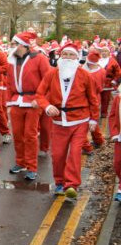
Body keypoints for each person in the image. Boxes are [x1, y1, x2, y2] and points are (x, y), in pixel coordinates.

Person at [35, 43, 99, 199]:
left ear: (77, 57)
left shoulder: (85, 75)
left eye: (71, 55)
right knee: (58, 154)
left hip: (80, 120)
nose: (68, 58)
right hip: (58, 121)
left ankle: (72, 185)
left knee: (75, 153)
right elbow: (39, 94)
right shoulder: (52, 74)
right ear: (60, 56)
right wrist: (47, 106)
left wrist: (93, 119)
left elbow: (93, 99)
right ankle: (59, 182)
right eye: (65, 55)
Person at [6, 31, 51, 181]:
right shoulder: (11, 60)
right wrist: (8, 102)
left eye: (14, 44)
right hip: (16, 101)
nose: (11, 46)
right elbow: (9, 83)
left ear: (23, 45)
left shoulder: (39, 58)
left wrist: (40, 100)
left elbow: (48, 81)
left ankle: (32, 167)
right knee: (17, 134)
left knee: (30, 136)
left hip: (33, 102)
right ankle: (20, 162)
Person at [81, 51, 106, 155]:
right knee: (93, 120)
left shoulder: (85, 71)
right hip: (96, 97)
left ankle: (87, 146)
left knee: (83, 122)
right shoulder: (102, 70)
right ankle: (98, 140)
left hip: (87, 98)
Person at [97, 43, 121, 118]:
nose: (104, 53)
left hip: (108, 83)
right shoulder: (97, 60)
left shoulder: (112, 61)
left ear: (108, 52)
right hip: (97, 83)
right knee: (96, 99)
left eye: (105, 51)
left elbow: (118, 72)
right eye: (103, 51)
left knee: (105, 99)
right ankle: (95, 113)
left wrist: (115, 80)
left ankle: (104, 113)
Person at [108, 85, 121, 202]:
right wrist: (114, 133)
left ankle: (120, 189)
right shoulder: (118, 97)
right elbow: (112, 116)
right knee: (117, 164)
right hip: (120, 138)